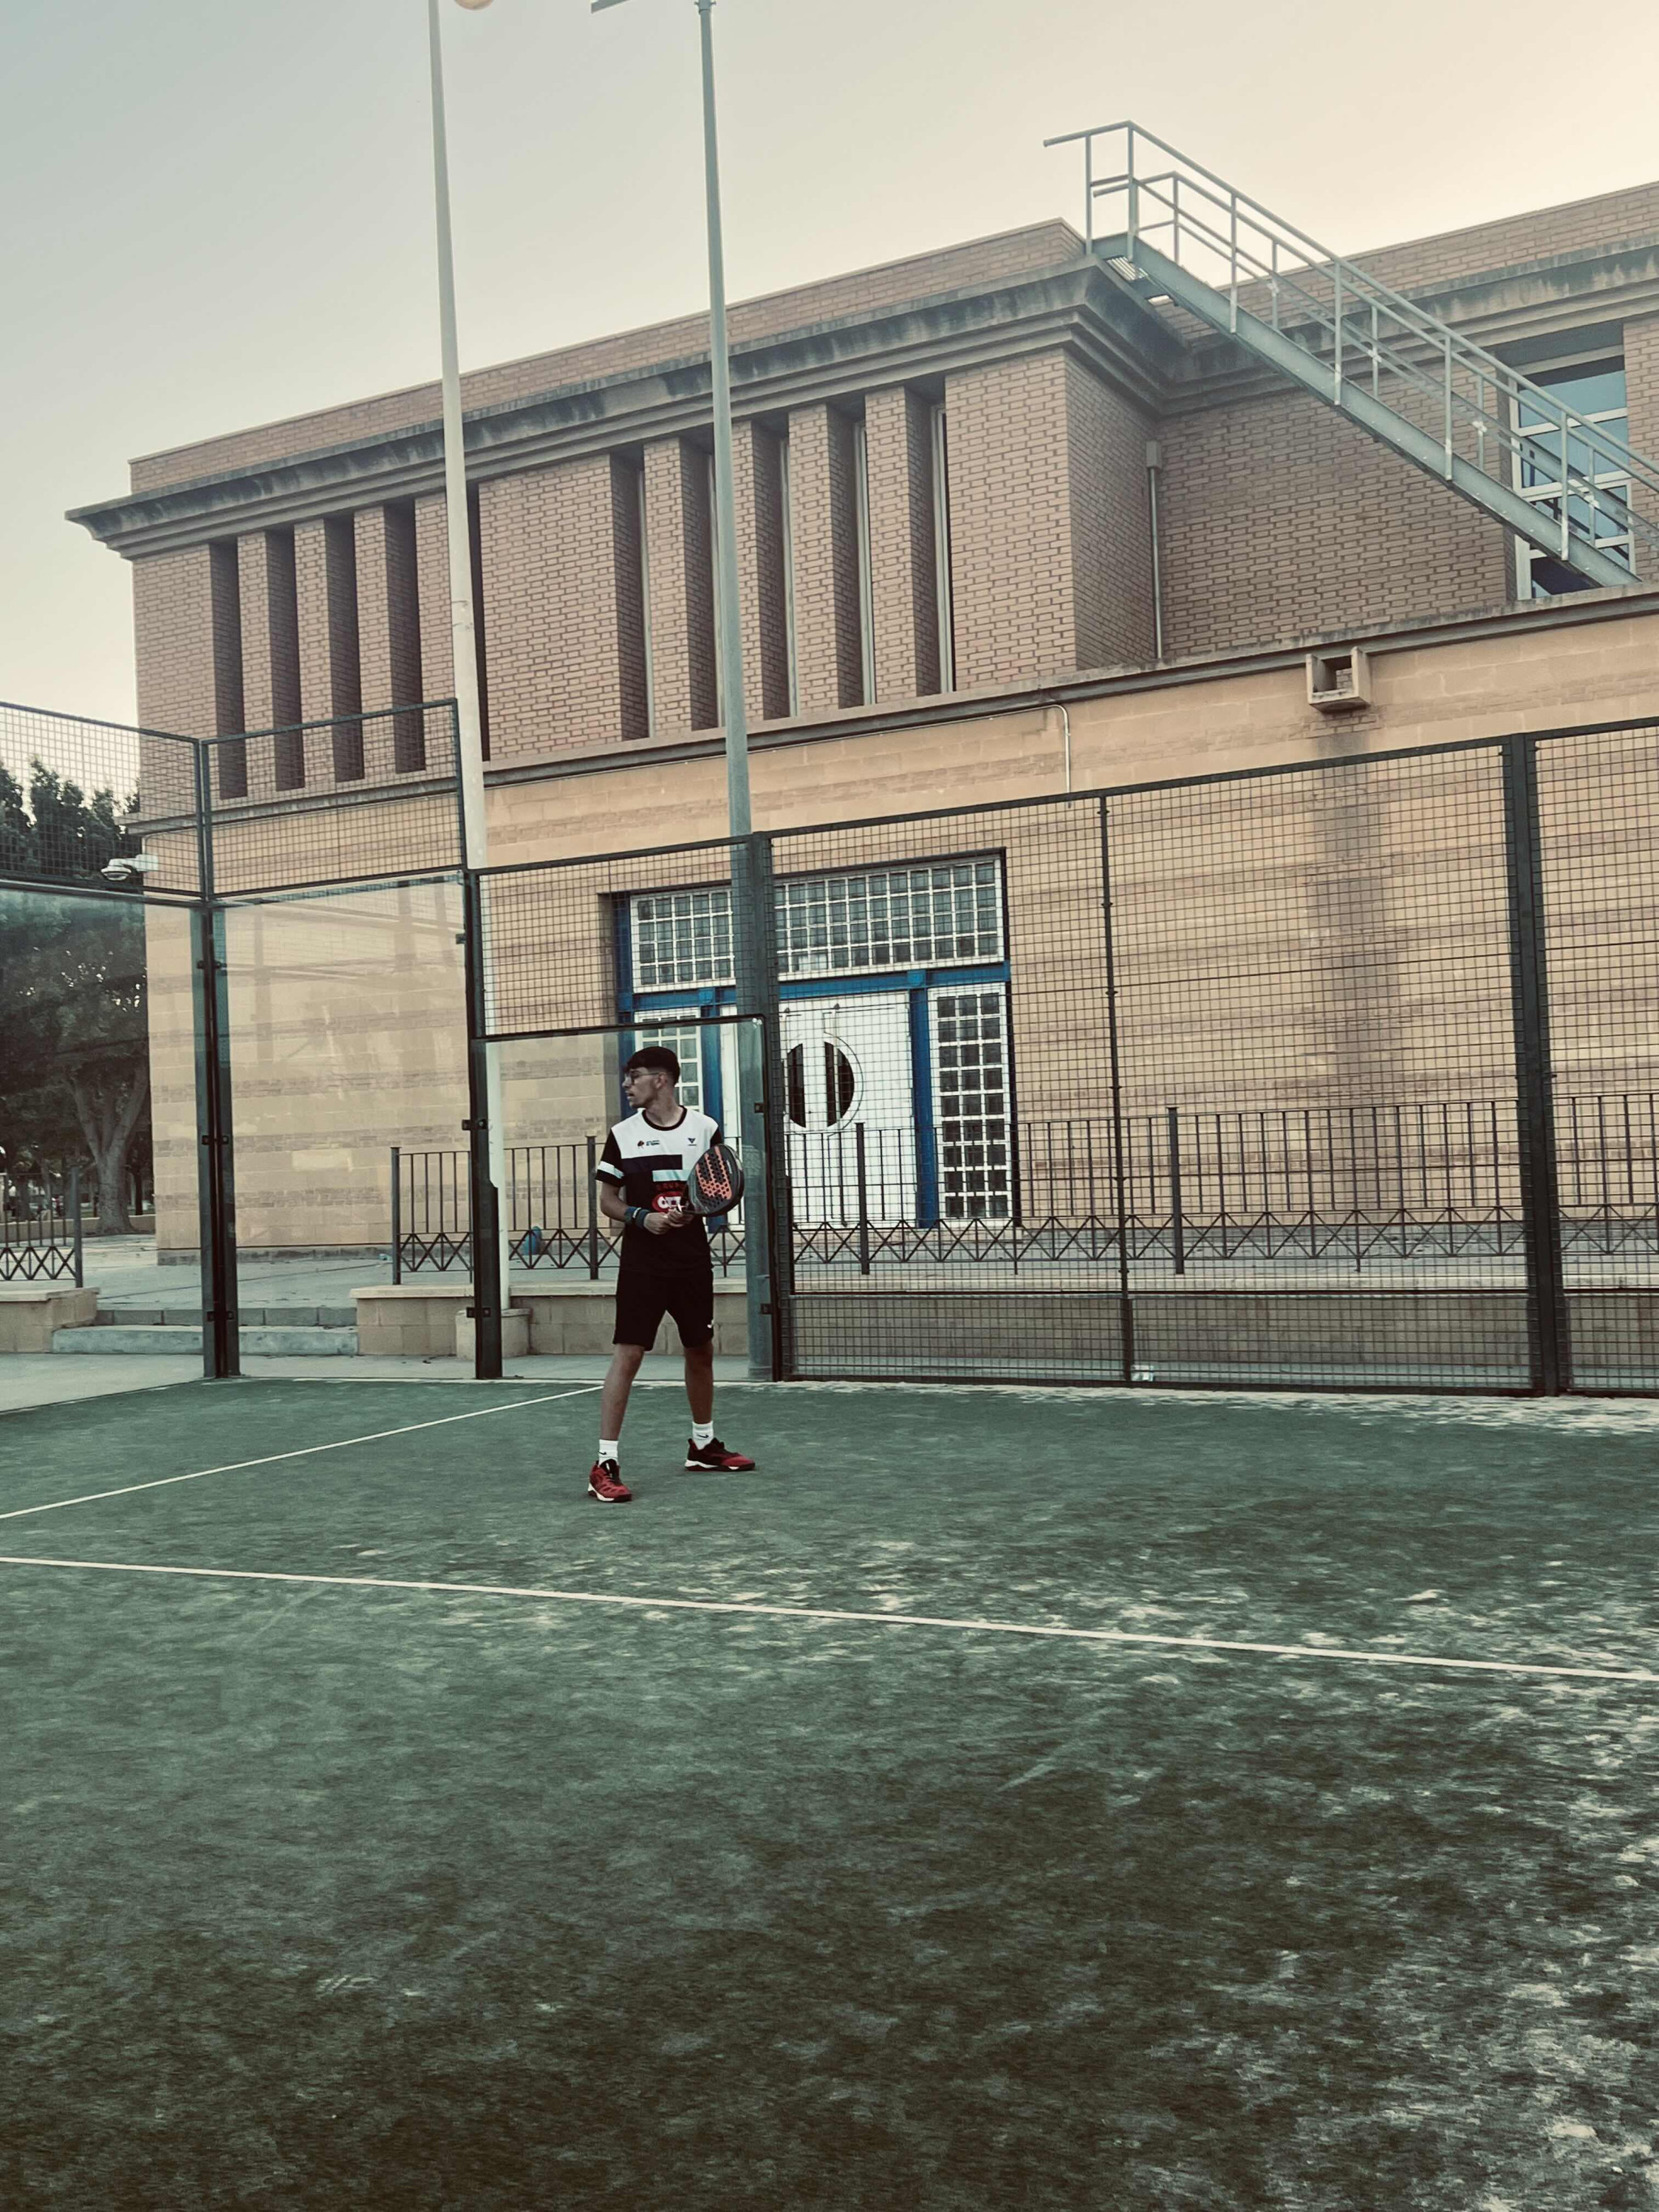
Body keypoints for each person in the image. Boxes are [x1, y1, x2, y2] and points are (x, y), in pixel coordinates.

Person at [587, 1045, 757, 1502]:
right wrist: (642, 1217)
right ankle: (604, 1463)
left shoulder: (705, 1129)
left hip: (691, 1258)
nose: (627, 1084)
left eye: (635, 1075)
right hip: (642, 1262)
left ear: (661, 1080)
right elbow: (608, 1200)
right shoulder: (622, 1134)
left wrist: (690, 1214)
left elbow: (717, 1187)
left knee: (700, 1349)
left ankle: (703, 1446)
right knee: (629, 1354)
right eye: (627, 1077)